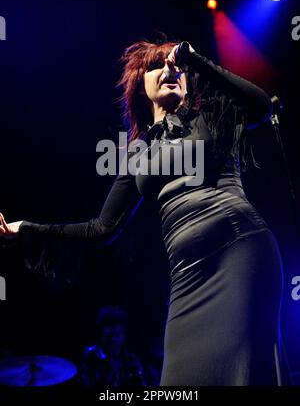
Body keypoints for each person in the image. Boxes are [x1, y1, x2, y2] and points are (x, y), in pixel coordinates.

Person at [0, 38, 290, 385]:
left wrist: (195, 60)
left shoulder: (211, 114)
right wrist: (28, 228)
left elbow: (260, 107)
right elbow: (101, 228)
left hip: (241, 252)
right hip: (188, 277)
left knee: (245, 367)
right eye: (157, 66)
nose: (170, 70)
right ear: (140, 86)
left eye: (176, 68)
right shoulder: (138, 152)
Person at [79, 305, 146, 386]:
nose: (112, 340)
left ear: (124, 335)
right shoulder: (91, 355)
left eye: (116, 335)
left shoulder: (131, 360)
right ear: (101, 335)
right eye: (108, 337)